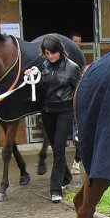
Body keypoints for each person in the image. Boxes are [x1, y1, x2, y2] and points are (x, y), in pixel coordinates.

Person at [25, 34, 82, 202]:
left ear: (59, 51)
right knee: (57, 150)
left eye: (51, 53)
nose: (49, 56)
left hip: (64, 112)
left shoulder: (72, 68)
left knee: (59, 149)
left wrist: (78, 116)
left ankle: (55, 189)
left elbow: (78, 92)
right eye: (46, 53)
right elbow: (41, 88)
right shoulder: (43, 67)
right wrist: (32, 78)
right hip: (47, 112)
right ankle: (66, 178)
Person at [68, 30, 83, 175]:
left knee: (78, 128)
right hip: (68, 97)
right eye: (75, 41)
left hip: (78, 96)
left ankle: (77, 162)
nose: (77, 44)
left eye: (79, 41)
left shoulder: (80, 58)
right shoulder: (67, 59)